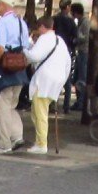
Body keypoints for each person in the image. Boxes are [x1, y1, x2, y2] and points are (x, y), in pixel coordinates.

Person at [0, 0, 29, 154]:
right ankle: (17, 135)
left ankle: (4, 144)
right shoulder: (21, 22)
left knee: (1, 106)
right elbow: (26, 47)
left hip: (4, 69)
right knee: (11, 106)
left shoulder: (3, 22)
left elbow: (1, 48)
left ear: (3, 4)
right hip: (19, 69)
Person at [23, 16, 70, 155]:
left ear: (42, 27)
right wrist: (62, 80)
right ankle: (40, 140)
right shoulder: (60, 40)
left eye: (38, 28)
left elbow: (34, 56)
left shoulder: (44, 39)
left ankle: (41, 143)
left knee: (40, 112)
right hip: (57, 80)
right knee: (38, 111)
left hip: (44, 81)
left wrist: (25, 50)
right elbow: (68, 63)